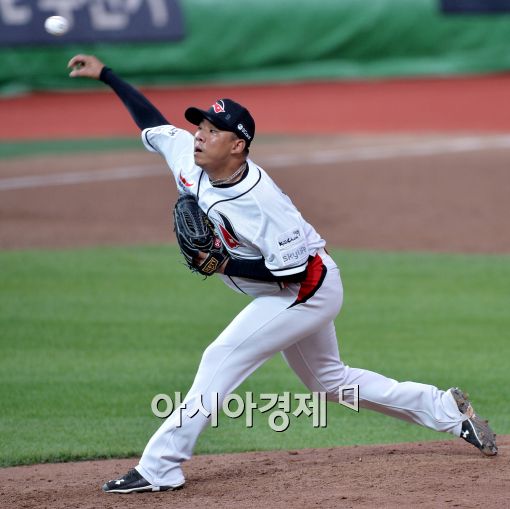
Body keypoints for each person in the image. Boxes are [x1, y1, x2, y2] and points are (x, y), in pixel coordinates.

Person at [67, 54, 497, 494]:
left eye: (212, 131)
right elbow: (154, 125)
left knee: (222, 356)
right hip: (289, 288)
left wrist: (224, 264)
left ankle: (160, 466)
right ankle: (445, 409)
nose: (199, 135)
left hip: (306, 288)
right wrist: (108, 76)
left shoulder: (262, 202)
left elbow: (289, 273)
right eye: (200, 126)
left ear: (237, 145)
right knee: (330, 383)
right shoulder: (189, 158)